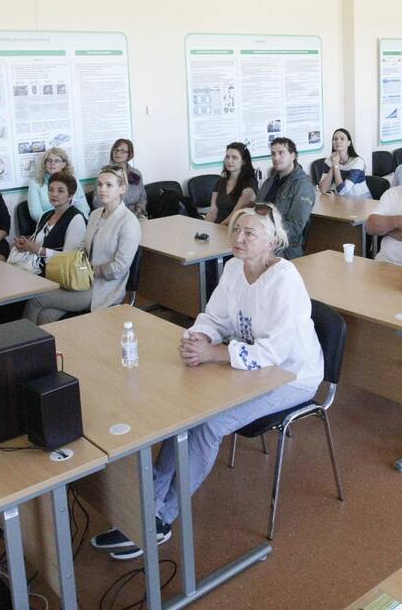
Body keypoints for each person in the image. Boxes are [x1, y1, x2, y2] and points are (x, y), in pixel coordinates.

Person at [91, 204, 323, 560]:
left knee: (209, 424)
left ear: (272, 242)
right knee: (182, 414)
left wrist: (214, 353)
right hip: (251, 366)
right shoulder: (233, 268)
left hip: (292, 375)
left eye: (249, 233)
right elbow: (215, 317)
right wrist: (198, 337)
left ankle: (163, 517)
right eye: (236, 230)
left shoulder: (284, 279)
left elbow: (274, 353)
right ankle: (147, 505)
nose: (239, 238)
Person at [24, 166, 141, 323]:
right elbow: (82, 248)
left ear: (122, 188)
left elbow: (119, 268)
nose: (102, 189)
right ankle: (47, 340)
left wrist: (88, 270)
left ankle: (22, 340)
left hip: (102, 288)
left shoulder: (129, 222)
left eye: (109, 185)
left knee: (36, 299)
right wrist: (76, 266)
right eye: (99, 184)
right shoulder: (95, 214)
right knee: (46, 316)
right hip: (81, 280)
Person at [9, 172, 86, 275]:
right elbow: (35, 245)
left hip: (58, 273)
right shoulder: (45, 216)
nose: (54, 194)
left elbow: (69, 258)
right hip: (37, 268)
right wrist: (24, 245)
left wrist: (38, 250)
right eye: (51, 189)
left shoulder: (76, 218)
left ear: (70, 195)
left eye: (60, 191)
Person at [256, 137, 315, 259]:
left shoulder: (302, 185)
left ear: (293, 156)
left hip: (285, 249)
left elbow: (295, 226)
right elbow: (256, 211)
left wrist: (266, 235)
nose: (276, 158)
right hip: (262, 242)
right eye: (273, 154)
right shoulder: (269, 182)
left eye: (281, 153)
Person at [27, 146, 90, 223]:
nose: (52, 163)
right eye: (49, 160)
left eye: (56, 161)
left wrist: (76, 219)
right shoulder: (35, 183)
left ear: (64, 164)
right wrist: (59, 221)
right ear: (45, 164)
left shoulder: (73, 180)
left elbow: (84, 207)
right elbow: (36, 214)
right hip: (50, 223)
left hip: (75, 221)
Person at [205, 142, 257, 225]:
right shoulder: (220, 181)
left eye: (234, 157)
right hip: (217, 226)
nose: (229, 161)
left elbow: (235, 215)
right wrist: (204, 227)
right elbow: (213, 211)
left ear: (243, 161)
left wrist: (217, 229)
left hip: (234, 227)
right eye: (227, 157)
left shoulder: (249, 185)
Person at [93, 138, 146, 218]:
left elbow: (142, 196)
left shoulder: (135, 173)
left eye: (122, 151)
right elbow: (97, 203)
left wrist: (138, 211)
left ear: (129, 154)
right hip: (112, 217)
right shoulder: (104, 174)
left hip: (136, 215)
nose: (118, 153)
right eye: (116, 150)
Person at [317, 127, 371, 198]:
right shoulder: (329, 161)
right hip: (342, 201)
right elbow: (323, 189)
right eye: (335, 139)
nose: (338, 141)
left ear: (349, 143)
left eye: (342, 139)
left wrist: (336, 165)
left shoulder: (357, 162)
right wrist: (333, 165)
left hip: (362, 200)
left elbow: (342, 191)